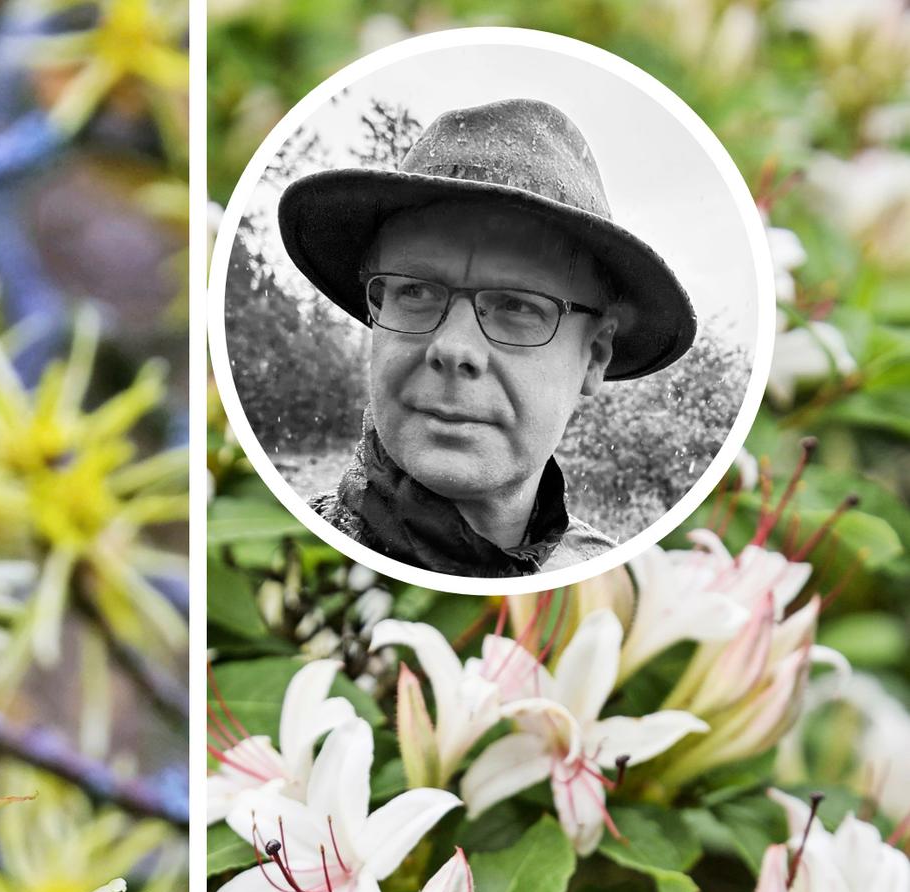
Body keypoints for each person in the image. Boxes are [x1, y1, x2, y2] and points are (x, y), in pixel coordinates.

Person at [277, 96, 697, 579]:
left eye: (518, 306)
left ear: (595, 355)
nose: (454, 348)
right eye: (415, 291)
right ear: (377, 310)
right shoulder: (283, 565)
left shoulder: (611, 585)